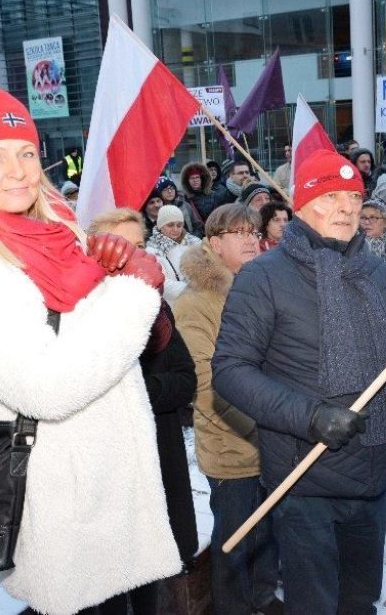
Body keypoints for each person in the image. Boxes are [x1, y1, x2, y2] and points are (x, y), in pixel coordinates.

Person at [0, 91, 179, 615]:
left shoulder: (59, 236)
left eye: (27, 153)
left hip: (114, 493)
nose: (18, 171)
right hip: (59, 507)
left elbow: (144, 344)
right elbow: (47, 387)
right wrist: (134, 292)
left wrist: (125, 274)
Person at [212, 148, 386, 612]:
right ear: (300, 205)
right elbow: (231, 371)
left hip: (372, 472)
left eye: (354, 197)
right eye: (330, 196)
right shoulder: (264, 277)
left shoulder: (377, 271)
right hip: (304, 478)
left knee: (361, 599)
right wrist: (311, 417)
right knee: (315, 604)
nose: (346, 207)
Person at [173, 204, 283, 615]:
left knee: (269, 527)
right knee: (236, 538)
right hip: (232, 444)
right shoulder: (195, 304)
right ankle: (232, 607)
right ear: (215, 244)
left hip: (275, 436)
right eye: (238, 232)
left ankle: (263, 597)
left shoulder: (262, 286)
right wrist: (264, 426)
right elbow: (205, 385)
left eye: (253, 230)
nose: (251, 238)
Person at [87, 208, 200, 586]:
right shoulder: (78, 314)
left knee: (161, 575)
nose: (133, 255)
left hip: (161, 452)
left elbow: (186, 380)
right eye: (120, 246)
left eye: (138, 245)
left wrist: (136, 392)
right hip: (109, 474)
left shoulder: (157, 307)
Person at [146, 204, 201, 304]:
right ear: (161, 226)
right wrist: (190, 290)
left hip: (202, 299)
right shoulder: (152, 251)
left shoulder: (193, 241)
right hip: (178, 304)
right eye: (170, 225)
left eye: (179, 225)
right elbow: (162, 282)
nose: (175, 229)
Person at [179, 162, 217, 237]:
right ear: (187, 181)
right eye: (192, 178)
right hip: (193, 236)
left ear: (202, 179)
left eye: (197, 177)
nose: (195, 180)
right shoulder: (183, 198)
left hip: (211, 234)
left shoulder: (212, 195)